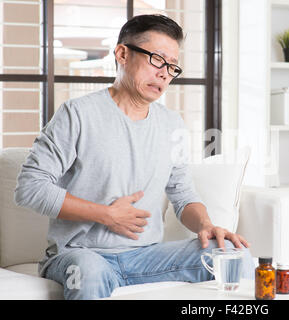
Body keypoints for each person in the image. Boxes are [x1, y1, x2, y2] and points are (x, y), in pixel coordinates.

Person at [14, 14, 254, 300]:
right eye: (157, 59)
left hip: (147, 256)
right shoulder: (77, 114)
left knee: (233, 254)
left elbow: (183, 194)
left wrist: (206, 225)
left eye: (172, 66)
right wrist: (106, 215)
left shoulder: (172, 124)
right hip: (81, 255)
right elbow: (29, 187)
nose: (165, 73)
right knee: (90, 273)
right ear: (122, 54)